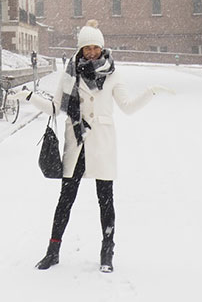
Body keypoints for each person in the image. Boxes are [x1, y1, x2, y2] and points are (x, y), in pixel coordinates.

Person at [25, 19, 171, 275]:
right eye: (86, 48)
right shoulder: (69, 72)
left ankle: (107, 251)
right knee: (65, 201)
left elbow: (127, 107)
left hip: (102, 143)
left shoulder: (113, 74)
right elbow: (54, 108)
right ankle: (53, 250)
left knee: (105, 200)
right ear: (80, 49)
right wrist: (28, 97)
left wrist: (150, 92)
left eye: (94, 47)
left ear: (101, 48)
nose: (90, 52)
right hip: (77, 144)